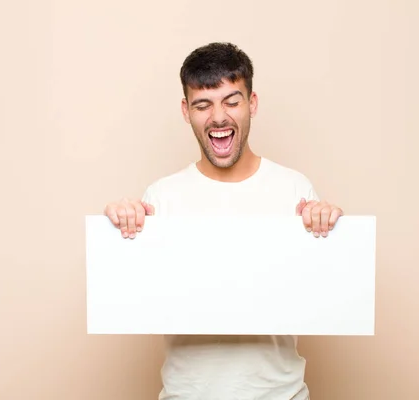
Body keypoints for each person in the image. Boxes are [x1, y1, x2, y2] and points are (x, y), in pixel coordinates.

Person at [104, 42, 344, 400]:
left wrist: (327, 228)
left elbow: (324, 294)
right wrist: (123, 227)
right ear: (186, 111)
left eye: (232, 101)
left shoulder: (294, 188)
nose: (219, 117)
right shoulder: (161, 197)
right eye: (203, 104)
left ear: (253, 103)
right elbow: (137, 297)